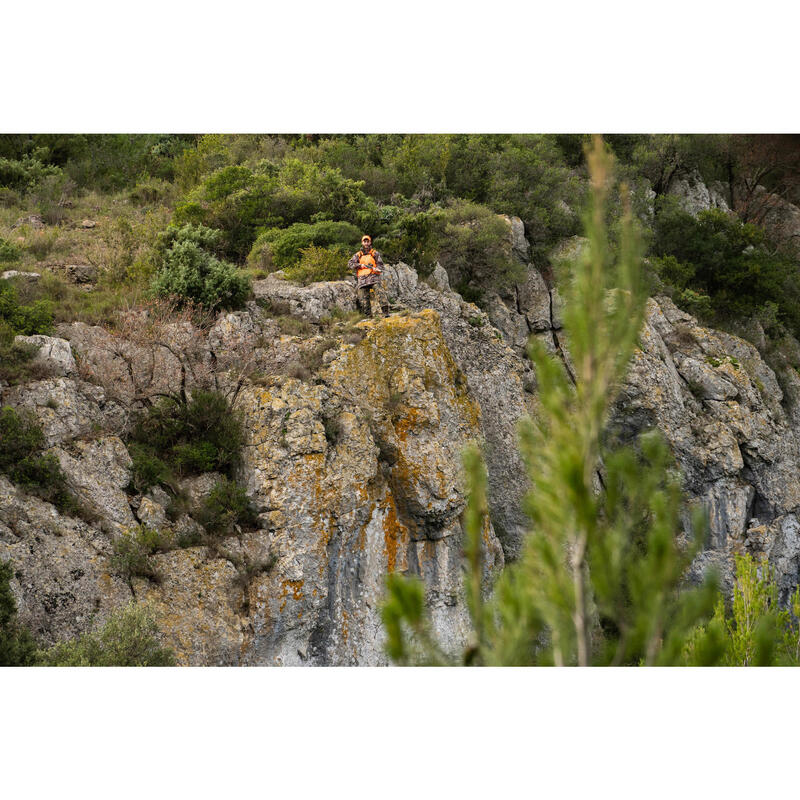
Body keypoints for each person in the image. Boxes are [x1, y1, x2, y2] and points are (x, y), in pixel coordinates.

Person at [348, 235, 389, 318]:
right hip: (362, 281)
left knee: (380, 293)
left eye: (368, 241)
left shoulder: (375, 253)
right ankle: (368, 317)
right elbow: (350, 264)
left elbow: (381, 266)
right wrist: (360, 265)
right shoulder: (358, 255)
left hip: (374, 278)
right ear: (362, 242)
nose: (366, 243)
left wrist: (378, 269)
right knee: (363, 300)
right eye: (364, 241)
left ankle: (386, 313)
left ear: (370, 242)